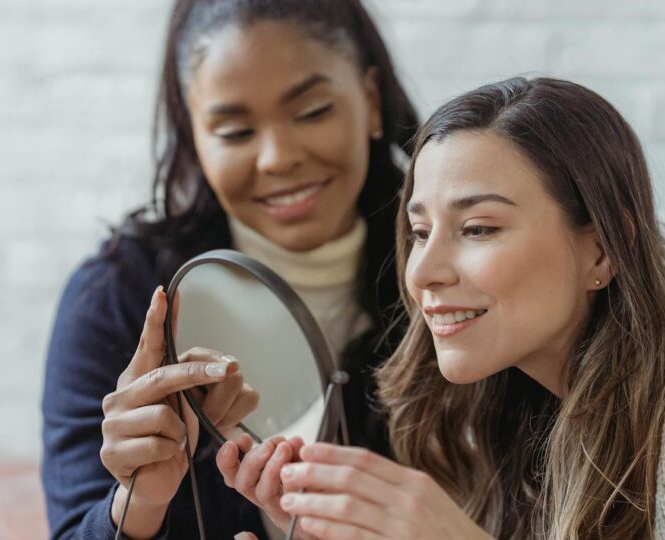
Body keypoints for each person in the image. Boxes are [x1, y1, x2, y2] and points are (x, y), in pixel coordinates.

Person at [269, 77, 665, 539]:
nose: (424, 272)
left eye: (479, 229)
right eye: (419, 233)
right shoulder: (500, 432)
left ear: (603, 251)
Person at [40, 0, 418, 538]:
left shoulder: (446, 278)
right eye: (235, 132)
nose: (277, 158)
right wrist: (138, 500)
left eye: (312, 112)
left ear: (371, 99)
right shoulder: (116, 297)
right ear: (194, 136)